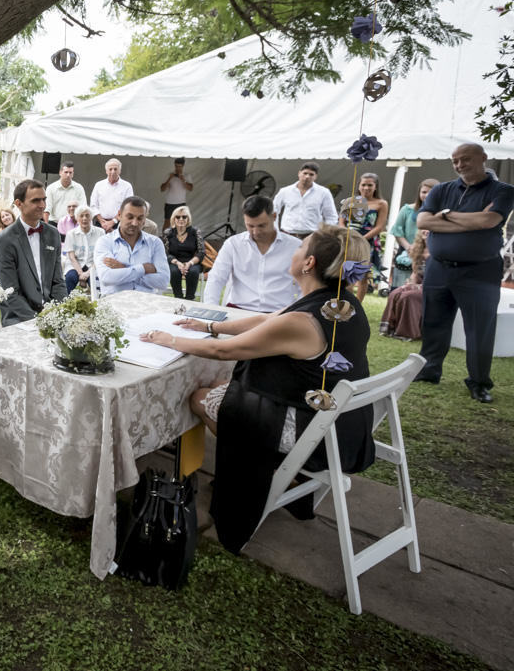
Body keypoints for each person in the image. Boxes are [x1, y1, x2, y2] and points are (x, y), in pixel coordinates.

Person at [139, 225, 374, 554]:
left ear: (308, 263)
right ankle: (270, 472)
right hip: (343, 423)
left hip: (314, 435)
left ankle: (260, 476)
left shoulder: (304, 321)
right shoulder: (338, 302)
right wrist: (208, 325)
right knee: (224, 387)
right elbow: (265, 320)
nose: (292, 252)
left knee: (199, 397)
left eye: (299, 248)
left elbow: (225, 351)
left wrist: (170, 340)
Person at [414, 142, 514, 403]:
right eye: (455, 160)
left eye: (466, 159)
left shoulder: (503, 190)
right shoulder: (441, 189)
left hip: (480, 271)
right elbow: (423, 221)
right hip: (439, 267)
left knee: (480, 329)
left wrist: (445, 216)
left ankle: (479, 382)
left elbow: (489, 221)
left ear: (483, 158)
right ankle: (429, 370)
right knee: (433, 323)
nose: (459, 165)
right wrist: (468, 222)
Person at [202, 196, 301, 312]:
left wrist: (298, 313)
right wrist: (211, 309)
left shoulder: (295, 246)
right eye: (250, 226)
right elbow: (216, 278)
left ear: (274, 217)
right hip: (238, 310)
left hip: (279, 314)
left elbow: (306, 286)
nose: (256, 232)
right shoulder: (233, 244)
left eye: (261, 225)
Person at [0, 179, 67, 325]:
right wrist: (37, 321)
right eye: (35, 201)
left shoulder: (52, 234)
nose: (43, 205)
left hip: (51, 313)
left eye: (44, 200)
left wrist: (59, 311)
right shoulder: (4, 239)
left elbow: (58, 281)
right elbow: (10, 291)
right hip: (19, 317)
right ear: (19, 204)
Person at [93, 196, 169, 295]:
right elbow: (107, 277)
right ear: (119, 215)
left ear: (145, 220)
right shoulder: (105, 242)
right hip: (115, 303)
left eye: (140, 218)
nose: (134, 223)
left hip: (147, 304)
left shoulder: (155, 243)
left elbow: (163, 282)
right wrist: (143, 269)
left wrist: (123, 267)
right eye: (130, 217)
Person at [339, 172, 388, 300]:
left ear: (375, 187)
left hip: (368, 242)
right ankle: (346, 303)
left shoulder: (381, 204)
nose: (366, 188)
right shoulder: (349, 201)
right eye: (363, 185)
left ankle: (358, 305)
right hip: (349, 240)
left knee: (363, 276)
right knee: (348, 273)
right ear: (359, 186)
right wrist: (348, 236)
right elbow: (341, 222)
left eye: (370, 185)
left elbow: (379, 226)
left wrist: (362, 239)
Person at [380, 231, 429, 340]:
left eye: (429, 229)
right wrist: (410, 284)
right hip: (420, 283)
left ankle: (407, 333)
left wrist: (418, 287)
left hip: (433, 286)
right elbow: (415, 273)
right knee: (395, 292)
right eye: (424, 229)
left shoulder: (439, 252)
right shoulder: (418, 250)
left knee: (408, 296)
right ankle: (391, 328)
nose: (426, 231)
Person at [390, 178, 438, 286]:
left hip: (430, 254)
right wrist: (409, 247)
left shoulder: (441, 212)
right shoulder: (407, 209)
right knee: (402, 286)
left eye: (431, 192)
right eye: (424, 192)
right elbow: (397, 231)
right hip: (407, 252)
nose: (427, 195)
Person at [273, 162, 338, 238]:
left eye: (311, 174)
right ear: (299, 173)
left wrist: (325, 234)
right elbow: (273, 212)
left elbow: (331, 216)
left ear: (315, 176)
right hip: (287, 234)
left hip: (312, 236)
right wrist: (276, 231)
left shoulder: (324, 192)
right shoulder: (285, 191)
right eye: (305, 173)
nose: (307, 177)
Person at [163, 205, 205, 300]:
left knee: (193, 272)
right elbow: (165, 253)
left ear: (188, 219)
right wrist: (177, 263)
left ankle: (190, 299)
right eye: (178, 217)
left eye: (184, 217)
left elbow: (201, 252)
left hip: (192, 261)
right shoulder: (168, 233)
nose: (181, 219)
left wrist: (189, 263)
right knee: (173, 271)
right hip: (174, 261)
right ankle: (178, 298)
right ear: (174, 219)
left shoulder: (195, 232)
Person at [89, 157, 134, 232]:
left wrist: (113, 222)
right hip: (100, 224)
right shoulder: (99, 185)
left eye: (115, 169)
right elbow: (93, 205)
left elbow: (127, 207)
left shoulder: (127, 186)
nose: (113, 171)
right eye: (110, 169)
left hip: (119, 224)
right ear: (106, 171)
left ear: (120, 171)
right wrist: (102, 222)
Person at [63, 205, 101, 294]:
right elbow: (72, 257)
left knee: (95, 279)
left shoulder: (100, 232)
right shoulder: (70, 234)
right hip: (75, 265)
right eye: (81, 216)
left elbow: (100, 256)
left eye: (87, 215)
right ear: (77, 218)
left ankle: (99, 304)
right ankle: (67, 304)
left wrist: (87, 273)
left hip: (93, 265)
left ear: (91, 218)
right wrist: (81, 274)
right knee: (70, 277)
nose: (84, 218)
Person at [159, 158, 193, 223]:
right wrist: (169, 178)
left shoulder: (187, 175)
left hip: (181, 203)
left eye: (179, 166)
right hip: (169, 203)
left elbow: (190, 189)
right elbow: (162, 189)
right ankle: (165, 233)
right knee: (167, 222)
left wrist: (183, 180)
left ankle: (179, 233)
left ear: (183, 166)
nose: (177, 168)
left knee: (181, 222)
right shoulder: (169, 175)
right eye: (176, 166)